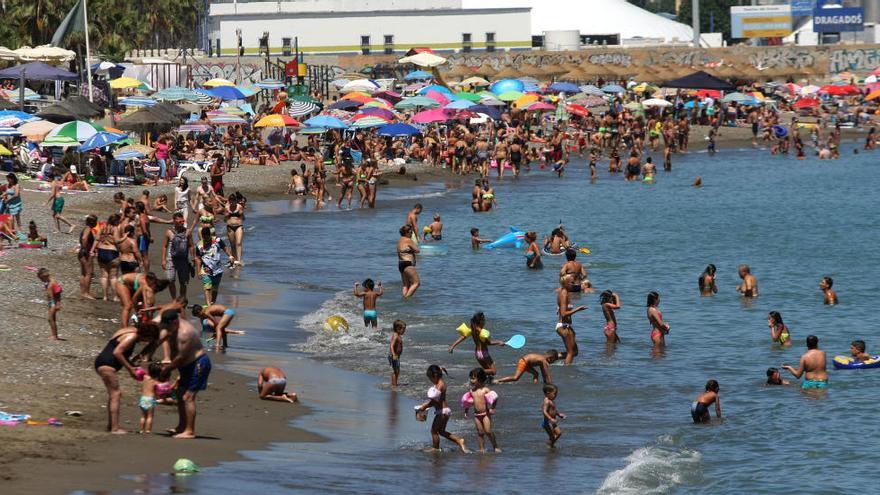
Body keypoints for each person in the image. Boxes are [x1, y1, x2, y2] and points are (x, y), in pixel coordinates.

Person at [94, 321, 160, 434]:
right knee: (116, 394)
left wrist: (132, 365)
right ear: (147, 335)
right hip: (107, 365)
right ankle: (115, 428)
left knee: (113, 395)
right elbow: (117, 352)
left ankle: (111, 425)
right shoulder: (132, 336)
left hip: (103, 362)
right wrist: (130, 368)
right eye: (149, 339)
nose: (146, 342)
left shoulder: (127, 330)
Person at [159, 309, 211, 439]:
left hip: (198, 364)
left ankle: (190, 431)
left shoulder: (185, 332)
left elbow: (181, 357)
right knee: (180, 394)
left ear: (175, 321)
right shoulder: (171, 325)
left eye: (169, 325)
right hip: (187, 366)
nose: (167, 328)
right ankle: (181, 427)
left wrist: (166, 369)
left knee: (188, 397)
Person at [414, 365, 469, 453]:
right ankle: (459, 440)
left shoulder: (440, 385)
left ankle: (435, 448)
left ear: (435, 376)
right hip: (444, 411)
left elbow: (434, 400)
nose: (431, 381)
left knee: (434, 430)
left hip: (442, 412)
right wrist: (425, 405)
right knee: (441, 431)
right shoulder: (439, 384)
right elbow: (434, 400)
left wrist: (424, 406)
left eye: (430, 378)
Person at [449, 311, 506, 376]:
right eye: (484, 320)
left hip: (477, 354)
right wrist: (499, 342)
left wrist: (452, 346)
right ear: (480, 321)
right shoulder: (481, 332)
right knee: (493, 371)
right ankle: (475, 373)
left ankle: (485, 382)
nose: (485, 321)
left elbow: (463, 337)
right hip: (483, 353)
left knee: (487, 371)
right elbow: (488, 343)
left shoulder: (472, 329)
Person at [461, 368, 500, 453]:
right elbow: (467, 402)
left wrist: (493, 408)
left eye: (473, 378)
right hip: (477, 415)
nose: (471, 380)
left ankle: (495, 446)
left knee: (488, 431)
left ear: (480, 378)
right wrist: (466, 411)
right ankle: (482, 449)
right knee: (480, 432)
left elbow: (495, 398)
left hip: (485, 414)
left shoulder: (485, 390)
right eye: (471, 378)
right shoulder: (472, 391)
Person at [195, 226, 236, 305]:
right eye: (205, 238)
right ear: (202, 236)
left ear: (210, 235)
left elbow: (225, 248)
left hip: (218, 269)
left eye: (208, 237)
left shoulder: (217, 240)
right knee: (207, 287)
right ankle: (208, 304)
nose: (207, 240)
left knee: (215, 288)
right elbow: (198, 259)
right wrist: (199, 271)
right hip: (206, 270)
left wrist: (230, 256)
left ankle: (212, 302)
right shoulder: (199, 245)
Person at [162, 212, 194, 301]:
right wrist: (163, 260)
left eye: (182, 220)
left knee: (183, 282)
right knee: (170, 279)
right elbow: (164, 246)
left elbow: (191, 246)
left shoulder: (188, 232)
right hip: (171, 259)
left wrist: (193, 259)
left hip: (183, 260)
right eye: (179, 220)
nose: (182, 222)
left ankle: (182, 299)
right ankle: (174, 299)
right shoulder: (169, 232)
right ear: (174, 221)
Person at [556, 286, 587, 365]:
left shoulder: (564, 292)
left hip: (566, 325)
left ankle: (550, 357)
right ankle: (566, 373)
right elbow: (563, 314)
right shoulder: (563, 292)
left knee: (575, 352)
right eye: (572, 282)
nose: (575, 284)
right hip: (564, 326)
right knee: (571, 353)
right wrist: (578, 309)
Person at [139, 362, 166, 434]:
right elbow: (160, 390)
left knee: (143, 416)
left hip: (143, 398)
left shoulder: (145, 377)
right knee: (150, 416)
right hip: (150, 399)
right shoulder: (156, 382)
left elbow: (141, 371)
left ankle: (141, 430)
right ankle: (148, 430)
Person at [37, 268, 62, 340]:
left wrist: (57, 304)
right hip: (52, 302)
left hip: (53, 302)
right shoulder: (49, 281)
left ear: (44, 276)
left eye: (41, 278)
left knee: (50, 319)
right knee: (52, 318)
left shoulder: (52, 283)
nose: (41, 280)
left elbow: (58, 294)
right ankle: (54, 335)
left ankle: (55, 336)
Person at [396, 225, 420, 298]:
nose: (412, 234)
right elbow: (417, 250)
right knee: (416, 283)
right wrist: (411, 250)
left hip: (401, 264)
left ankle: (404, 300)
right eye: (411, 232)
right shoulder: (408, 240)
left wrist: (409, 250)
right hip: (407, 263)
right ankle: (406, 299)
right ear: (406, 232)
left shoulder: (400, 240)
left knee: (406, 285)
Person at [78, 215, 98, 299]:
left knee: (83, 273)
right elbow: (84, 238)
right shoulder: (88, 229)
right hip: (85, 253)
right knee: (89, 273)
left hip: (81, 253)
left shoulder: (86, 228)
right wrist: (86, 250)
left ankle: (84, 292)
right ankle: (86, 293)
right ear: (92, 222)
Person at [541, 384, 565, 448]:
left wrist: (559, 414)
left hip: (553, 422)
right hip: (548, 422)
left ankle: (550, 445)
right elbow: (544, 411)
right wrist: (550, 419)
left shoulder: (552, 401)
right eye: (554, 394)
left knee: (559, 433)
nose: (556, 395)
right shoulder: (547, 401)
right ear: (548, 393)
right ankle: (550, 446)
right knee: (552, 437)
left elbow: (554, 410)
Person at [388, 319, 406, 387]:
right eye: (403, 329)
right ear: (398, 329)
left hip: (396, 356)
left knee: (397, 371)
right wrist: (394, 354)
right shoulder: (395, 336)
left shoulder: (398, 335)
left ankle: (394, 384)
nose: (404, 331)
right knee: (396, 371)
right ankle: (394, 385)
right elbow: (391, 345)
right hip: (394, 355)